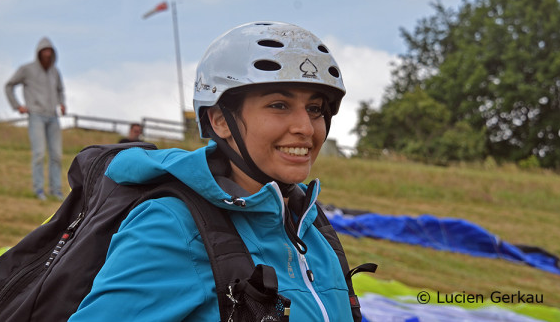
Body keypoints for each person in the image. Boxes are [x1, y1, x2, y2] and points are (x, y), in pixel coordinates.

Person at [68, 22, 354, 321]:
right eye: (279, 105)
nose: (305, 128)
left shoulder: (310, 224)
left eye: (315, 109)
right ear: (219, 120)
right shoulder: (175, 228)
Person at [5, 37, 66, 201]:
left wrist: (62, 103)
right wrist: (18, 106)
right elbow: (9, 85)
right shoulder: (27, 69)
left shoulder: (55, 71)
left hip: (53, 116)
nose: (47, 54)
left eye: (50, 51)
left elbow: (60, 90)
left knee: (57, 155)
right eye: (44, 51)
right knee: (39, 153)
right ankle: (39, 189)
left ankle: (56, 190)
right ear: (39, 53)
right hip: (36, 116)